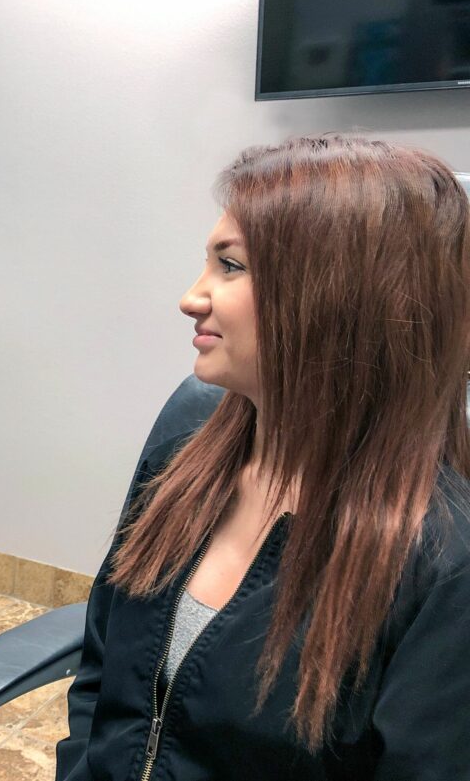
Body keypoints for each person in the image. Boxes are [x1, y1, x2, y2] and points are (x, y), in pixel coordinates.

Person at [56, 135, 470, 780]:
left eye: (232, 266)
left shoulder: (440, 568)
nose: (192, 298)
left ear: (341, 297)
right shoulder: (182, 465)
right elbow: (102, 678)